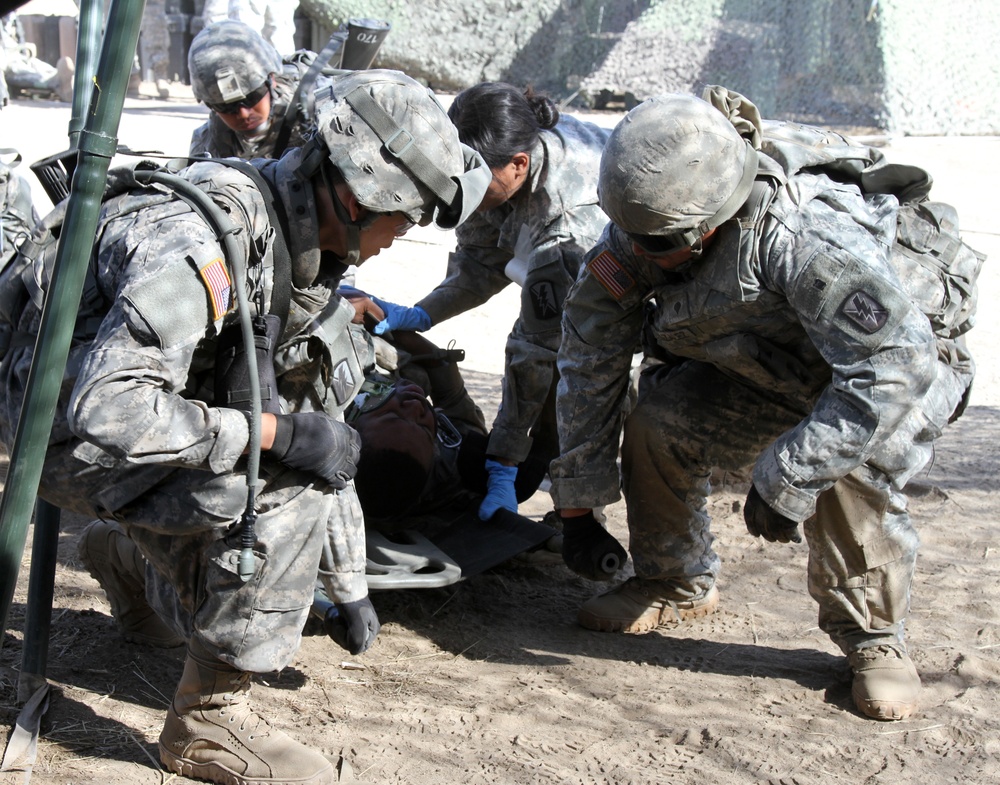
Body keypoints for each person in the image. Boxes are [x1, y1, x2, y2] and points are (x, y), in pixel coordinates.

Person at [0, 68, 488, 785]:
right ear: (357, 197)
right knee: (284, 490)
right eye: (402, 219)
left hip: (120, 427)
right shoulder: (205, 242)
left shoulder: (300, 252)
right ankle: (206, 726)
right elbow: (109, 410)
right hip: (57, 432)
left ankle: (127, 558)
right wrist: (267, 437)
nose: (396, 238)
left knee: (291, 462)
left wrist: (349, 581)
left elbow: (326, 424)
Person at [549, 88, 980, 722]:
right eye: (630, 235)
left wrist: (789, 478)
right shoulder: (639, 233)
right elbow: (589, 358)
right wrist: (578, 505)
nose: (638, 252)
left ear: (709, 223)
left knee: (848, 463)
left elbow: (895, 364)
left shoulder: (801, 236)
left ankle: (873, 637)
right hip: (769, 367)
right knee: (657, 422)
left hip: (890, 373)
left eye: (658, 242)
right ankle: (675, 579)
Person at [365, 82, 611, 522]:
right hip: (563, 268)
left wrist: (502, 460)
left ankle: (579, 517)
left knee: (579, 383)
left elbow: (534, 351)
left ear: (519, 165)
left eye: (477, 182)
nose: (465, 192)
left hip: (636, 288)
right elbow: (481, 263)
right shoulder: (491, 170)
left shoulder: (567, 226)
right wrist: (422, 312)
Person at [187, 19, 326, 160]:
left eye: (251, 98)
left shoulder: (322, 107)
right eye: (226, 107)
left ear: (271, 79)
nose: (243, 114)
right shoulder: (209, 144)